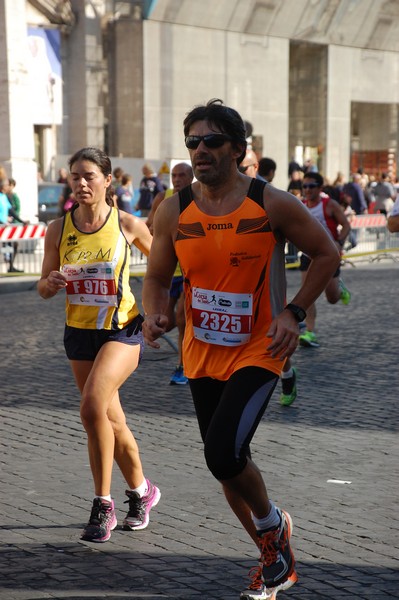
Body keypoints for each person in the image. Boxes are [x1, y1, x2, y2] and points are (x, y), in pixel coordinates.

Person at [142, 99, 340, 600]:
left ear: (237, 148)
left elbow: (326, 254)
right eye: (192, 141)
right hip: (201, 350)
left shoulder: (270, 202)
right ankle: (273, 558)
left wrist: (294, 312)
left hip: (260, 347)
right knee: (226, 463)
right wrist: (155, 313)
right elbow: (158, 276)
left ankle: (273, 528)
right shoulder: (176, 207)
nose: (200, 150)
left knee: (222, 451)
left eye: (211, 141)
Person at [37, 147, 160, 543]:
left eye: (89, 175)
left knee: (91, 407)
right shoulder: (58, 228)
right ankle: (143, 492)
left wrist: (162, 311)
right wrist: (51, 283)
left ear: (108, 180)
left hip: (121, 331)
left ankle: (103, 504)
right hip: (79, 331)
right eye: (75, 176)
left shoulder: (127, 224)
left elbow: (163, 267)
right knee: (111, 419)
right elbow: (41, 287)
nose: (81, 183)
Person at [240, 154, 297, 406]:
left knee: (274, 340)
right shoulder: (217, 195)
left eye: (242, 168)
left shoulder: (271, 197)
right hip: (230, 289)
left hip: (266, 287)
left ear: (256, 167)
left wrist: (297, 310)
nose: (237, 172)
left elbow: (319, 248)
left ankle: (287, 374)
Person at [147, 162, 194, 385]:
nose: (177, 179)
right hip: (168, 270)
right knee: (166, 321)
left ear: (191, 177)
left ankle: (183, 367)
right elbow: (149, 225)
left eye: (182, 175)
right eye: (174, 175)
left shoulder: (199, 197)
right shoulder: (162, 198)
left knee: (182, 319)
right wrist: (158, 231)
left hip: (188, 269)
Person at [298, 172, 351, 348]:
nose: (307, 190)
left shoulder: (329, 205)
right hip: (308, 255)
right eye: (304, 186)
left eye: (311, 186)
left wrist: (339, 242)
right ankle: (309, 332)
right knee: (307, 294)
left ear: (320, 188)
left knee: (332, 298)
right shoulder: (300, 205)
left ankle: (340, 289)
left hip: (328, 256)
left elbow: (346, 225)